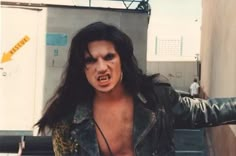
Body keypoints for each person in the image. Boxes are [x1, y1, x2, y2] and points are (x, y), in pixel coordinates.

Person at [35, 22, 236, 156]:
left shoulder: (155, 98)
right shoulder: (68, 123)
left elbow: (202, 111)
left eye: (108, 57)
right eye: (90, 60)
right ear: (82, 68)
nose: (101, 67)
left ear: (122, 60)